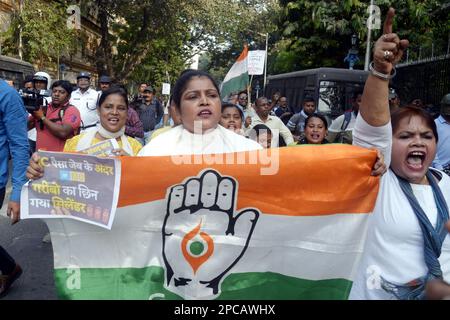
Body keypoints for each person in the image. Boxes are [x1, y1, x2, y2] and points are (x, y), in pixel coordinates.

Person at [349, 8, 450, 300]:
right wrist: (381, 71)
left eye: (426, 136)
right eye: (405, 136)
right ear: (389, 145)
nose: (418, 142)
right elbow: (371, 130)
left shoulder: (446, 185)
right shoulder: (376, 182)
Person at [27, 87, 142, 183]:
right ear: (98, 110)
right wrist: (40, 170)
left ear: (127, 113)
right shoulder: (75, 143)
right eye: (108, 107)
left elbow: (145, 185)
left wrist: (131, 166)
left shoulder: (136, 148)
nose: (114, 112)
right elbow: (61, 176)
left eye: (121, 108)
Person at [138, 70, 262, 156]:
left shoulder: (248, 151)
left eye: (212, 95)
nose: (204, 101)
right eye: (193, 97)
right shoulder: (155, 151)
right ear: (176, 109)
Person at [0, 79, 29, 296]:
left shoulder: (7, 96)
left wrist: (17, 193)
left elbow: (20, 146)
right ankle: (9, 267)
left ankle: (9, 269)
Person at [28, 80, 81, 152]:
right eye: (54, 91)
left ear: (68, 96)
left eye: (61, 92)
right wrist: (31, 112)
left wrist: (43, 118)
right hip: (40, 158)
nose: (56, 94)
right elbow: (24, 127)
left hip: (60, 160)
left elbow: (63, 132)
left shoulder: (72, 110)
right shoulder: (43, 109)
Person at [432, 93, 450, 175]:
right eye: (447, 106)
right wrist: (440, 169)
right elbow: (431, 149)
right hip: (439, 170)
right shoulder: (434, 125)